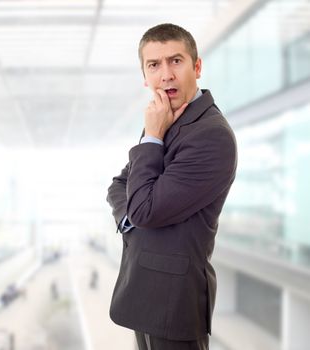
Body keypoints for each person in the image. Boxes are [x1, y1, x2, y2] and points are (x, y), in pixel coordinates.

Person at [107, 23, 237, 350]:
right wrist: (131, 218)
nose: (166, 75)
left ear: (197, 67)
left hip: (175, 301)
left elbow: (145, 208)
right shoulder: (164, 118)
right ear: (145, 76)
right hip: (144, 291)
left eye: (175, 61)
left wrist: (152, 137)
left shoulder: (210, 135)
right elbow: (120, 184)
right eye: (154, 65)